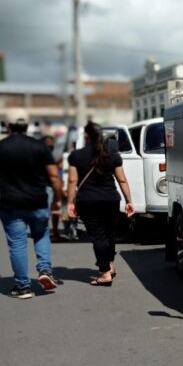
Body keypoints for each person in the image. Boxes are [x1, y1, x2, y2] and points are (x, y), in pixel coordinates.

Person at [0, 109, 63, 299]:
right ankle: (45, 270)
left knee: (17, 244)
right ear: (28, 125)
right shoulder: (40, 147)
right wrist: (58, 198)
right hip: (38, 202)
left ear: (7, 126)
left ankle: (23, 287)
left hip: (11, 205)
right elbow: (54, 176)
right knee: (42, 235)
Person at [67, 122, 135, 286]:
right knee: (109, 233)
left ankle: (104, 272)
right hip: (111, 199)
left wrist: (70, 202)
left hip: (88, 201)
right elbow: (122, 180)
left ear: (86, 136)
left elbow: (72, 180)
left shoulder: (76, 156)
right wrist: (129, 201)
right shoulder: (112, 155)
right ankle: (110, 264)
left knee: (98, 235)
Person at [41, 135, 62, 242]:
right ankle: (46, 233)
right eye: (48, 142)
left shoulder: (54, 154)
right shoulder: (40, 155)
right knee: (46, 211)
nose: (50, 144)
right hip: (46, 186)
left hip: (53, 186)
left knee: (55, 211)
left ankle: (55, 232)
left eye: (51, 142)